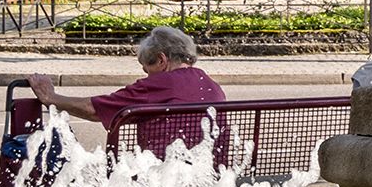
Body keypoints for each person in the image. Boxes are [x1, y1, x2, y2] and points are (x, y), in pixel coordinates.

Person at [27, 25, 225, 159]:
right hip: (207, 174)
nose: (146, 76)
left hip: (160, 177)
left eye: (147, 69)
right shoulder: (212, 85)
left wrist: (50, 97)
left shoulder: (159, 84)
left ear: (162, 60)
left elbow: (92, 109)